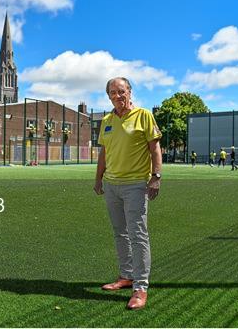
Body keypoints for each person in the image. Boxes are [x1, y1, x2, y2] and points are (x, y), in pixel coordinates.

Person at [94, 77, 162, 310]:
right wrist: (98, 178)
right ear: (108, 95)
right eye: (112, 92)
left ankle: (140, 287)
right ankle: (126, 276)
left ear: (129, 92)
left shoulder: (144, 115)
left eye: (121, 91)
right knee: (120, 233)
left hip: (136, 185)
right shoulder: (106, 120)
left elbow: (155, 148)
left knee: (138, 234)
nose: (117, 96)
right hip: (112, 185)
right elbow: (103, 153)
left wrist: (156, 177)